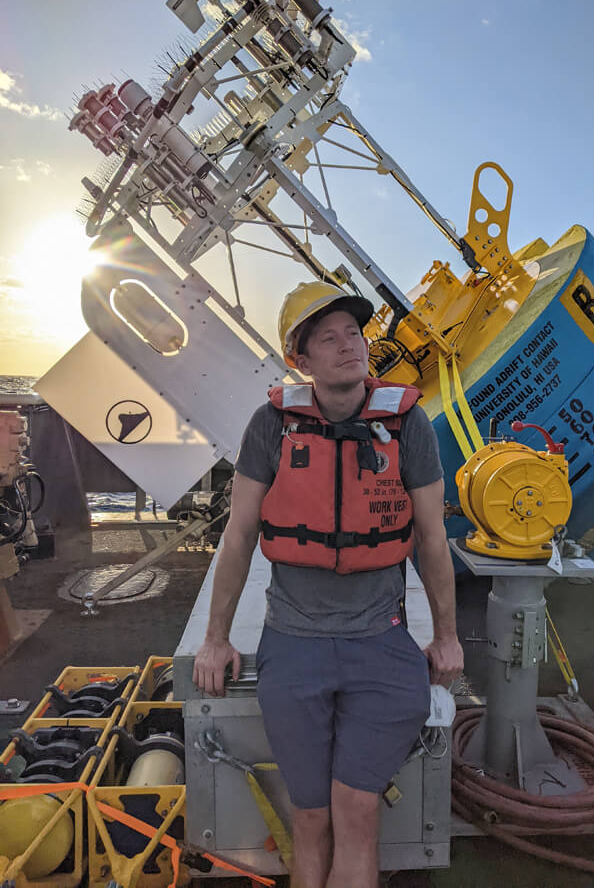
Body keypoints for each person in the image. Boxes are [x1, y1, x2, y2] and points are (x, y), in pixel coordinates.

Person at [193, 281, 464, 888]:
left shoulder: (408, 424)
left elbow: (431, 538)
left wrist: (446, 636)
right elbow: (238, 536)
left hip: (382, 646)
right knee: (310, 818)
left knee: (357, 811)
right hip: (294, 645)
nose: (350, 346)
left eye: (355, 333)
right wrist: (216, 638)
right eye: (329, 337)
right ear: (300, 358)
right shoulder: (271, 426)